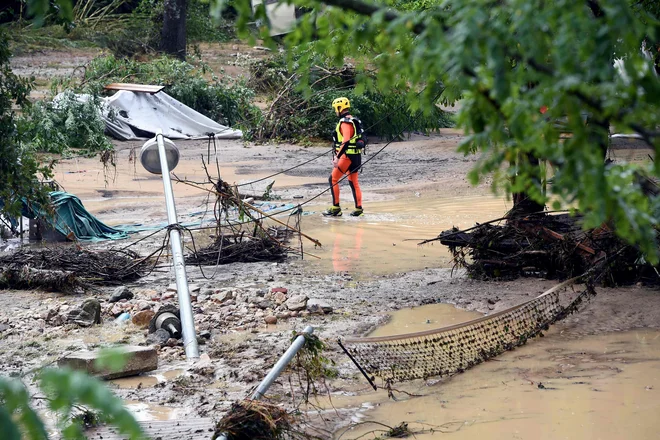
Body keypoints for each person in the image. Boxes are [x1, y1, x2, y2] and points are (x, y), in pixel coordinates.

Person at [322, 97, 366, 217]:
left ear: (339, 108)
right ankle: (358, 210)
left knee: (333, 179)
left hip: (347, 157)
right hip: (356, 156)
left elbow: (346, 141)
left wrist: (337, 157)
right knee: (353, 182)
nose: (335, 111)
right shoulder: (353, 120)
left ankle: (335, 208)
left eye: (335, 109)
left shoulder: (344, 122)